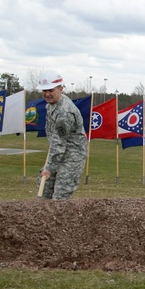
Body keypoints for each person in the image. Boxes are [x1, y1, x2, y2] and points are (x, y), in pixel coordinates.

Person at [37, 71, 87, 200]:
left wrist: (49, 168)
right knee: (44, 188)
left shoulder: (64, 112)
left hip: (72, 155)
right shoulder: (52, 104)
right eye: (44, 91)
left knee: (61, 195)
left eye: (50, 90)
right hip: (57, 151)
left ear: (60, 88)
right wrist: (49, 167)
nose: (47, 94)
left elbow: (59, 142)